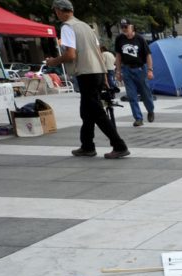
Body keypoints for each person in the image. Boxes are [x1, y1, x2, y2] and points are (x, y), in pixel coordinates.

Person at [44, 0, 128, 158]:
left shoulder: (68, 27)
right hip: (96, 71)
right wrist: (104, 75)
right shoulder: (86, 27)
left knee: (97, 112)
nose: (56, 14)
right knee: (87, 112)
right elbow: (98, 51)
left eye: (56, 11)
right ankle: (87, 145)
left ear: (60, 11)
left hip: (85, 72)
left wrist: (52, 61)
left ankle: (119, 145)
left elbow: (70, 55)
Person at [114, 19, 155, 127]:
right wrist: (118, 72)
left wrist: (150, 70)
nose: (124, 29)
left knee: (145, 94)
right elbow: (118, 56)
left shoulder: (140, 39)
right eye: (122, 27)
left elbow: (148, 55)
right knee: (132, 96)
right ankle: (138, 118)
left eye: (126, 27)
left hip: (140, 69)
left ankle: (150, 110)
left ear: (132, 27)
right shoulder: (119, 39)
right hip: (127, 70)